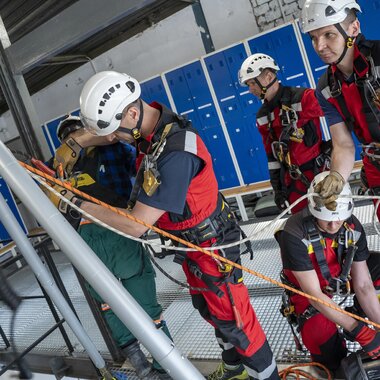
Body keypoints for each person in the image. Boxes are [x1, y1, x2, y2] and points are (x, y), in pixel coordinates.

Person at [44, 71, 280, 380]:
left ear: (131, 113)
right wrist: (75, 142)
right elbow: (113, 136)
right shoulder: (153, 131)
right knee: (211, 312)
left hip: (210, 248)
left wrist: (72, 202)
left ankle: (267, 376)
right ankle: (235, 371)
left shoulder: (175, 150)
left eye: (119, 133)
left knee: (237, 322)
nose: (116, 140)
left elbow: (137, 225)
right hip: (194, 247)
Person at [50, 115, 173, 380]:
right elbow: (142, 169)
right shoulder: (114, 147)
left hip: (84, 240)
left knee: (108, 301)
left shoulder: (57, 166)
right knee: (143, 296)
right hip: (118, 228)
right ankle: (167, 367)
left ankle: (141, 366)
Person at [277, 171, 380, 372]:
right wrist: (358, 330)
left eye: (338, 219)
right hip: (309, 292)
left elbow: (363, 284)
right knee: (322, 345)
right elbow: (314, 295)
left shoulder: (351, 225)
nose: (333, 225)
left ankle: (366, 315)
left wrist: (377, 326)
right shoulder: (294, 232)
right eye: (326, 220)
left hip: (340, 278)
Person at [299, 0, 380, 220]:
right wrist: (336, 176)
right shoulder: (326, 87)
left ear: (354, 29)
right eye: (314, 38)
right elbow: (343, 144)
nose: (319, 46)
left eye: (328, 35)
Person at [238, 53, 328, 213]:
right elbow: (271, 156)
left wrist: (336, 147)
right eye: (248, 85)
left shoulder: (302, 98)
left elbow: (338, 111)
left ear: (268, 76)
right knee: (303, 228)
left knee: (332, 221)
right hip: (292, 182)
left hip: (319, 175)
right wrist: (278, 190)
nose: (250, 89)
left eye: (252, 83)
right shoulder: (263, 116)